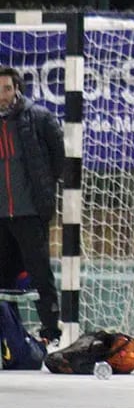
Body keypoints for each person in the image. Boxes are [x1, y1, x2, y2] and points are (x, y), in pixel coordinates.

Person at [0, 66, 64, 346]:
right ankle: (9, 334)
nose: (2, 95)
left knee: (40, 275)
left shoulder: (39, 117)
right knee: (3, 279)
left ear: (17, 89)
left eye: (7, 88)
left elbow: (58, 159)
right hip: (1, 215)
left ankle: (52, 332)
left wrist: (43, 195)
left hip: (29, 213)